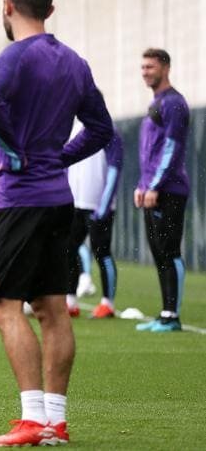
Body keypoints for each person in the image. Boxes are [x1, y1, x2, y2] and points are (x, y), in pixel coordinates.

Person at [0, 0, 113, 446]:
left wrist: (15, 153)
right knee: (53, 308)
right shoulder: (74, 62)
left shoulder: (14, 56)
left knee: (3, 308)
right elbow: (101, 130)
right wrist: (60, 157)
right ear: (50, 10)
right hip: (60, 200)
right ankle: (55, 422)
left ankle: (33, 419)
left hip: (20, 202)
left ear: (7, 7)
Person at [134, 48, 190, 333]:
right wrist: (142, 186)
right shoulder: (157, 103)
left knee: (169, 250)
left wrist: (154, 185)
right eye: (143, 67)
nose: (145, 72)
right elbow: (149, 152)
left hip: (169, 190)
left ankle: (173, 315)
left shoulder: (174, 103)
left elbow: (171, 147)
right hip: (152, 189)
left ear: (165, 68)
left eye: (150, 67)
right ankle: (165, 313)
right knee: (158, 252)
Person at [66, 122, 122, 318]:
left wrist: (104, 205)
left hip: (98, 205)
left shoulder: (108, 130)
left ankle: (108, 303)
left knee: (102, 252)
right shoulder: (72, 129)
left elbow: (115, 167)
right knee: (68, 249)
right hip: (74, 203)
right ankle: (70, 301)